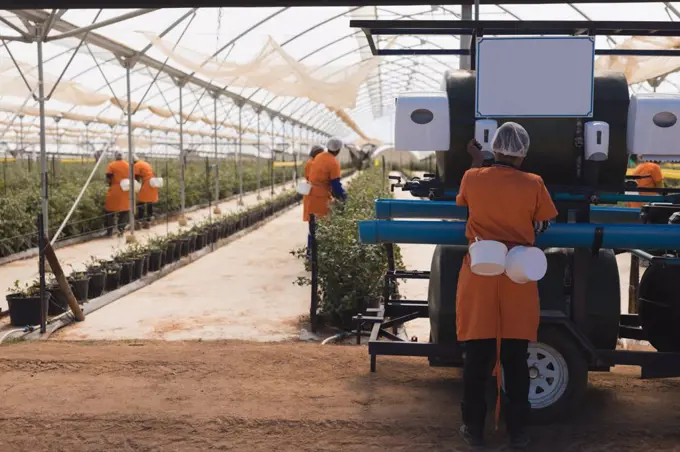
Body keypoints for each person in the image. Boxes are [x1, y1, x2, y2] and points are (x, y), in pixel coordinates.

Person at [455, 122, 558, 449]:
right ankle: (518, 432)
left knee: (477, 355)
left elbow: (466, 202)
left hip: (480, 277)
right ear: (523, 154)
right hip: (518, 276)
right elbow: (543, 223)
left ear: (495, 148)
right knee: (515, 358)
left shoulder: (472, 177)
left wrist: (476, 159)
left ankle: (473, 430)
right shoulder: (534, 183)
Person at [104, 151, 131, 237]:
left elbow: (108, 177)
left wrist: (110, 183)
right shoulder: (128, 165)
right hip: (125, 190)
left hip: (115, 190)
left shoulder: (111, 165)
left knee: (109, 211)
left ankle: (109, 231)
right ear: (122, 157)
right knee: (125, 211)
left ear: (115, 157)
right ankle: (121, 231)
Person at [133, 155, 159, 229]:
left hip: (147, 184)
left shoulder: (136, 165)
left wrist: (136, 185)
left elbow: (136, 177)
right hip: (153, 183)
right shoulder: (145, 163)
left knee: (141, 202)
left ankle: (139, 222)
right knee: (149, 202)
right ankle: (148, 222)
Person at [302, 144, 326, 223]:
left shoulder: (309, 163)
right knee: (320, 221)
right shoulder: (320, 164)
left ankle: (312, 235)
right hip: (319, 195)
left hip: (310, 194)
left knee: (312, 221)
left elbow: (307, 177)